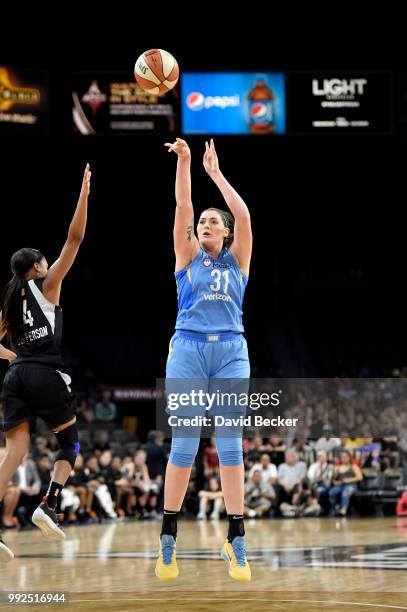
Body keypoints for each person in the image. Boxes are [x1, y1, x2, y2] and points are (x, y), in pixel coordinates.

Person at [155, 138, 252, 582]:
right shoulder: (188, 255)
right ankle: (168, 536)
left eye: (214, 221)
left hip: (231, 350)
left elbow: (245, 215)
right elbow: (181, 204)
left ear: (226, 233)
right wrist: (188, 164)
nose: (205, 223)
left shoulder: (237, 262)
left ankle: (236, 539)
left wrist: (215, 173)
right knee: (186, 444)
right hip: (189, 349)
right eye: (202, 221)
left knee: (230, 443)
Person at [0, 164, 91, 562]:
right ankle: (49, 504)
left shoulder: (6, 299)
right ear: (37, 267)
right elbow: (75, 238)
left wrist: (16, 356)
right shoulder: (46, 285)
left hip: (15, 376)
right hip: (44, 374)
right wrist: (84, 194)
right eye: (44, 260)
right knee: (69, 443)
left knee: (13, 455)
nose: (49, 262)